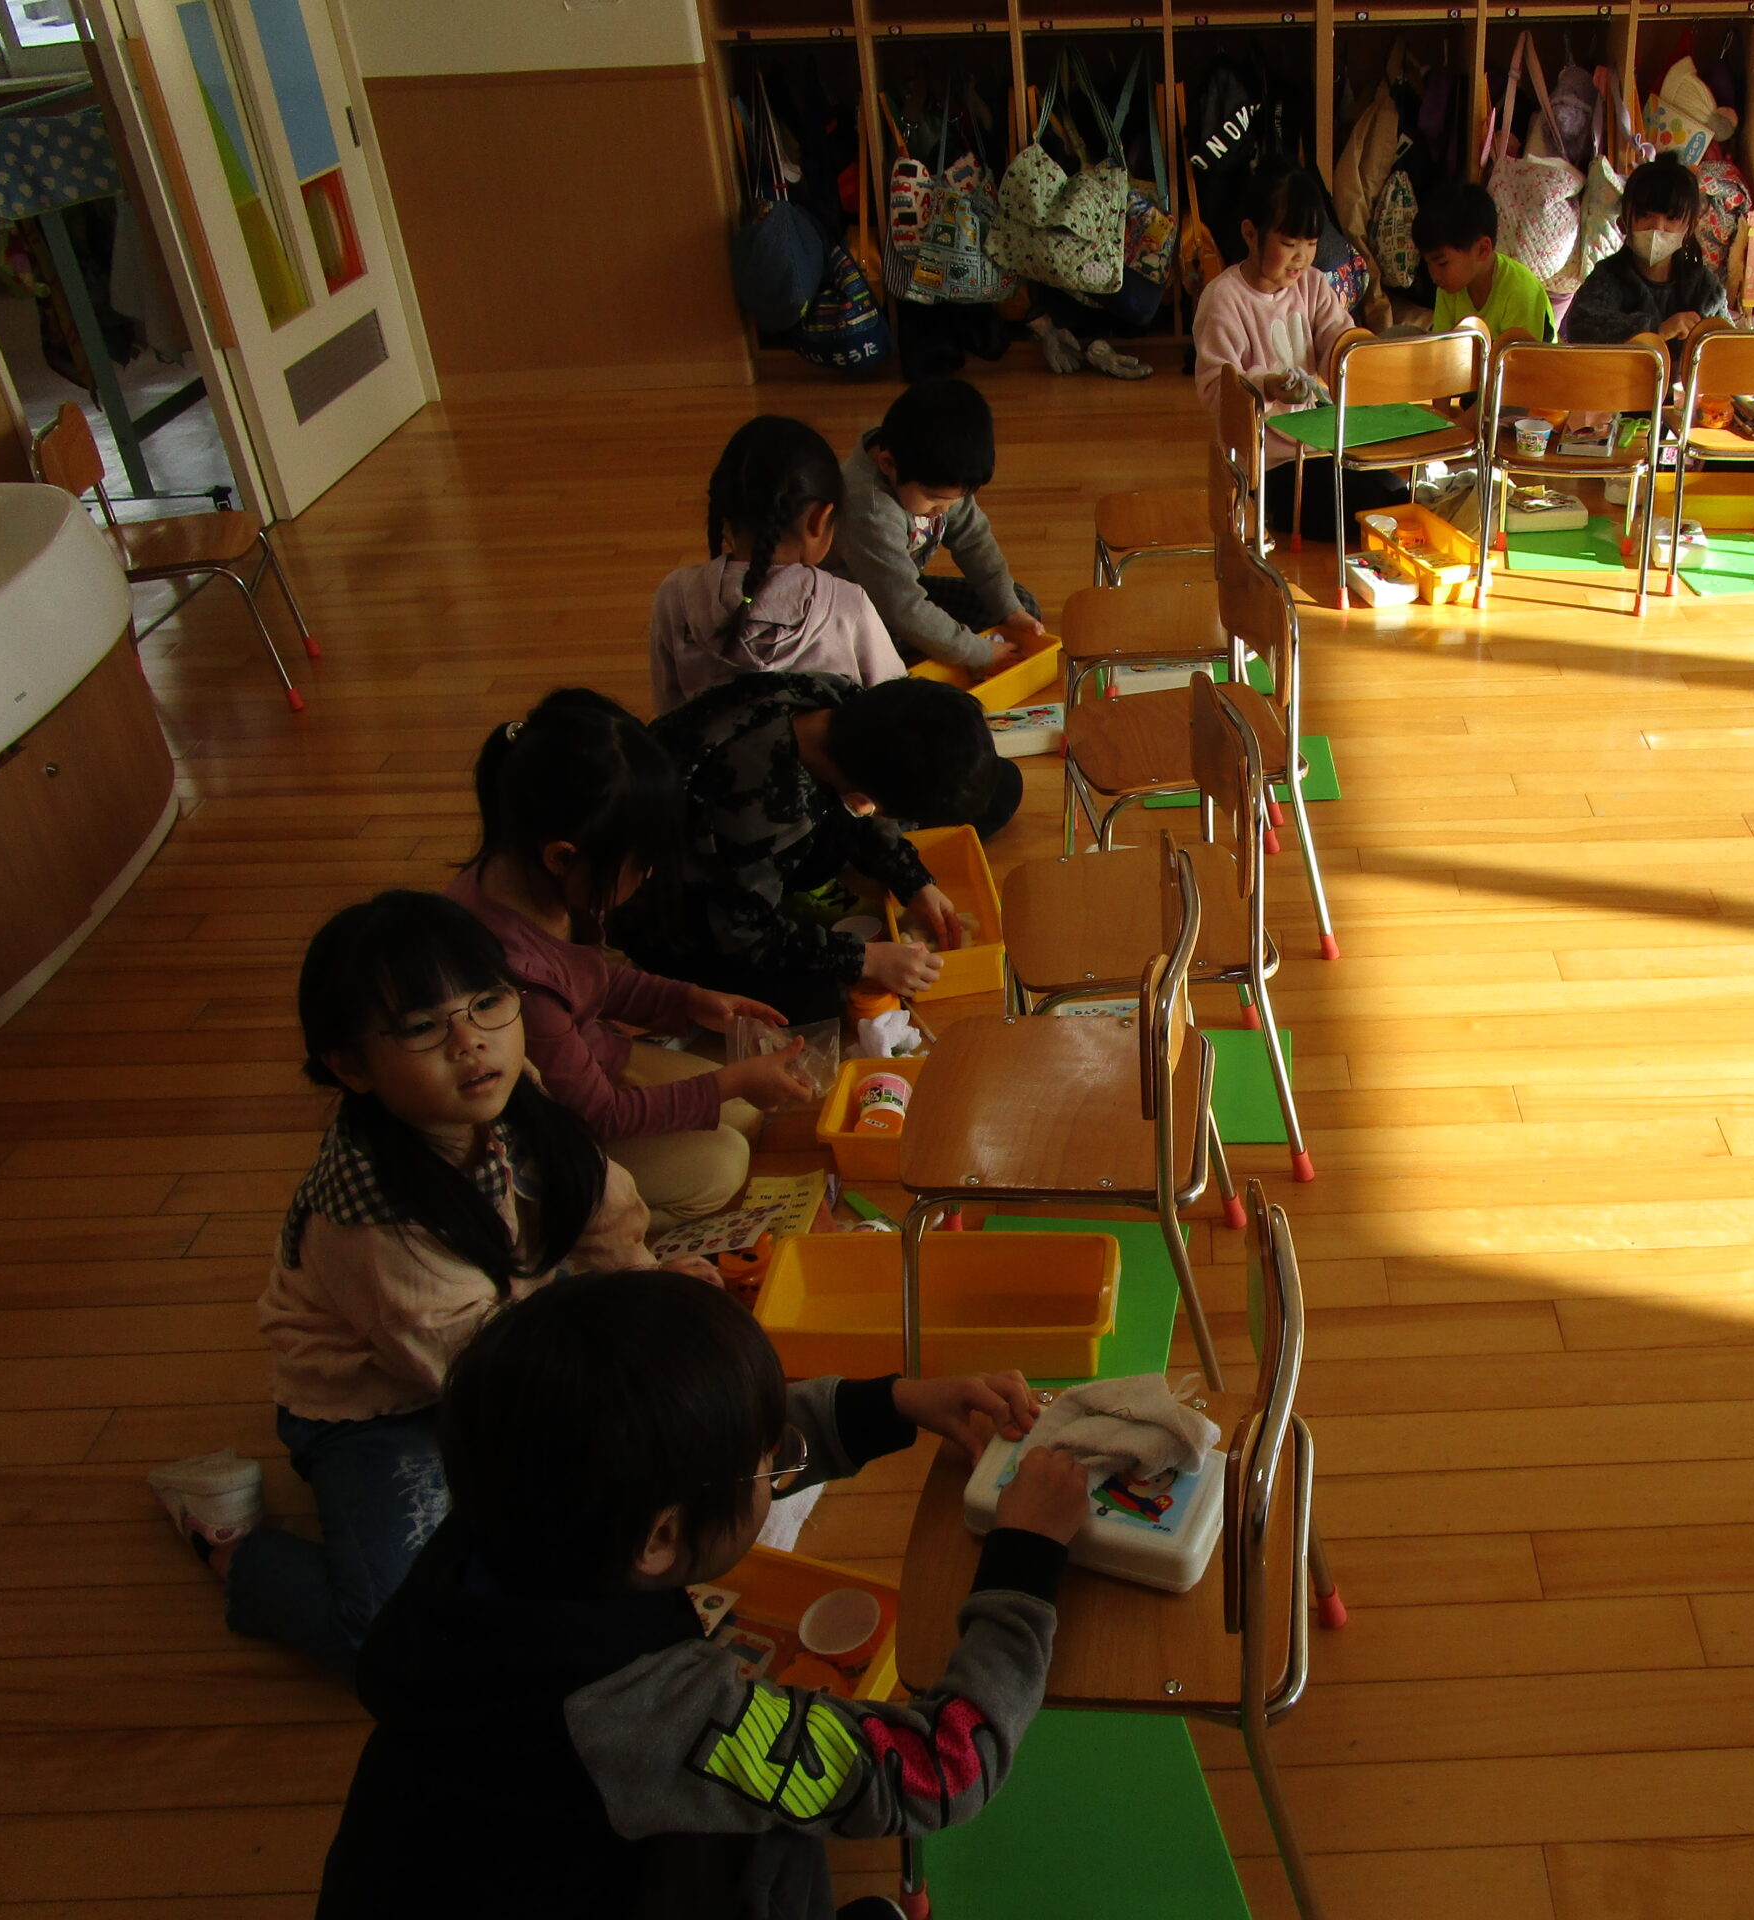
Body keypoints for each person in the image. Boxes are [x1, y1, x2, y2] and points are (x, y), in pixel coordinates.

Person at [314, 1266, 1094, 1920]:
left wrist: (887, 1405)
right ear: (659, 1538)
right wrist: (1026, 1560)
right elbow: (941, 1767)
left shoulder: (502, 1519)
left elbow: (681, 1452)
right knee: (774, 1841)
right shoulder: (650, 1717)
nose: (776, 1453)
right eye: (765, 1458)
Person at [144, 892, 685, 1673]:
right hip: (384, 1405)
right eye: (421, 1027)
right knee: (402, 1635)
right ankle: (230, 1543)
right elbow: (479, 1378)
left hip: (495, 1325)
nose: (471, 1042)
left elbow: (600, 1210)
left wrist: (656, 1308)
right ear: (349, 1065)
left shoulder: (509, 1087)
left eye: (487, 1002)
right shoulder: (370, 1223)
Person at [448, 690, 817, 1233]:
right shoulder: (514, 979)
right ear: (562, 857)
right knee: (722, 1165)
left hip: (585, 1064)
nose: (647, 877)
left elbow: (591, 980)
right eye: (640, 864)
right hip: (540, 1132)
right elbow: (598, 1114)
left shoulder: (533, 879)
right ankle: (556, 1226)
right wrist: (733, 1081)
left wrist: (688, 1001)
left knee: (742, 1110)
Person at [618, 671, 1010, 1022]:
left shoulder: (836, 696)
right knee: (822, 998)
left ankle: (795, 881)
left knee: (1000, 785)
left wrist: (914, 882)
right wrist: (865, 959)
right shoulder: (759, 807)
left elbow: (863, 813)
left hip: (750, 847)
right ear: (863, 800)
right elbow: (746, 935)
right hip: (669, 907)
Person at [1191, 161, 1408, 542]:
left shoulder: (1312, 284)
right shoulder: (1224, 298)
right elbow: (1215, 387)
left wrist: (1362, 355)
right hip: (1269, 466)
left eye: (1311, 244)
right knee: (1371, 516)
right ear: (1251, 234)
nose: (1302, 257)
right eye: (1289, 244)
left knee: (1398, 497)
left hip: (1322, 447)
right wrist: (1267, 385)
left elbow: (1336, 338)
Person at [649, 415, 904, 715]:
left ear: (722, 513)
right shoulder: (848, 605)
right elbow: (896, 706)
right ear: (819, 519)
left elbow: (669, 711)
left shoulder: (674, 595)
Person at [827, 378, 1043, 678]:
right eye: (935, 499)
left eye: (956, 500)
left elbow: (974, 542)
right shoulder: (869, 508)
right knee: (886, 668)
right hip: (857, 614)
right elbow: (904, 608)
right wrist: (979, 652)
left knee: (1021, 604)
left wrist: (1010, 610)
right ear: (888, 464)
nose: (944, 510)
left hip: (898, 590)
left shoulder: (932, 470)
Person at [1560, 157, 1730, 346]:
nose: (1657, 227)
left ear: (1690, 228)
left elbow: (1731, 345)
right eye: (1645, 215)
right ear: (1623, 222)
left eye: (1671, 218)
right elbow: (1581, 328)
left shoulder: (1704, 288)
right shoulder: (1607, 276)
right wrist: (1656, 330)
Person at [1414, 182, 1554, 342]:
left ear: (1482, 249)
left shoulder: (1520, 292)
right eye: (1428, 264)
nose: (1434, 276)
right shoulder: (1448, 286)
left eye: (1442, 263)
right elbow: (1443, 346)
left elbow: (1519, 356)